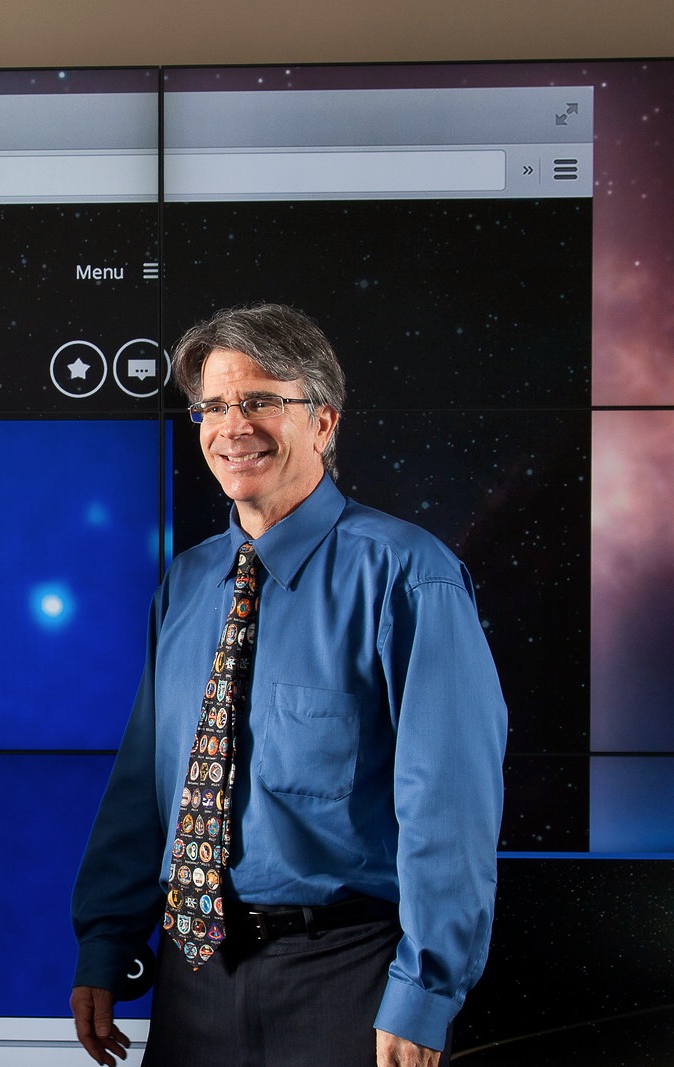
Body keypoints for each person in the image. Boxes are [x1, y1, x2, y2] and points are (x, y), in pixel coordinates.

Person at [70, 304, 505, 1067]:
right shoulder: (190, 583)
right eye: (212, 405)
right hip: (193, 977)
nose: (232, 425)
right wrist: (106, 943)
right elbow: (145, 783)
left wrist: (423, 994)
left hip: (348, 983)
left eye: (262, 399)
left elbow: (450, 806)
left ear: (324, 421)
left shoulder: (408, 577)